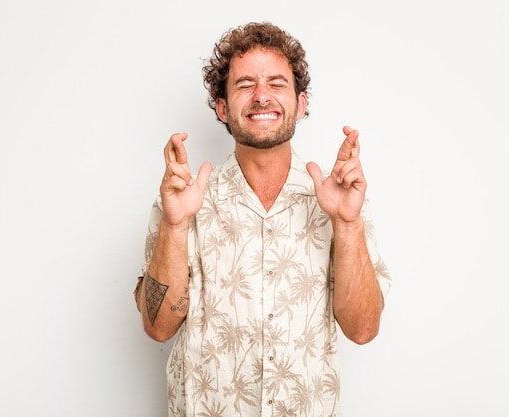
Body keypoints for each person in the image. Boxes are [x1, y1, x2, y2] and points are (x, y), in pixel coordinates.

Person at [134, 21, 391, 417]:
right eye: (244, 85)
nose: (261, 96)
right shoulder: (184, 200)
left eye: (276, 83)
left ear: (301, 103)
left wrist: (347, 223)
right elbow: (158, 328)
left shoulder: (342, 200)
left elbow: (363, 330)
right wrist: (174, 225)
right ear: (222, 107)